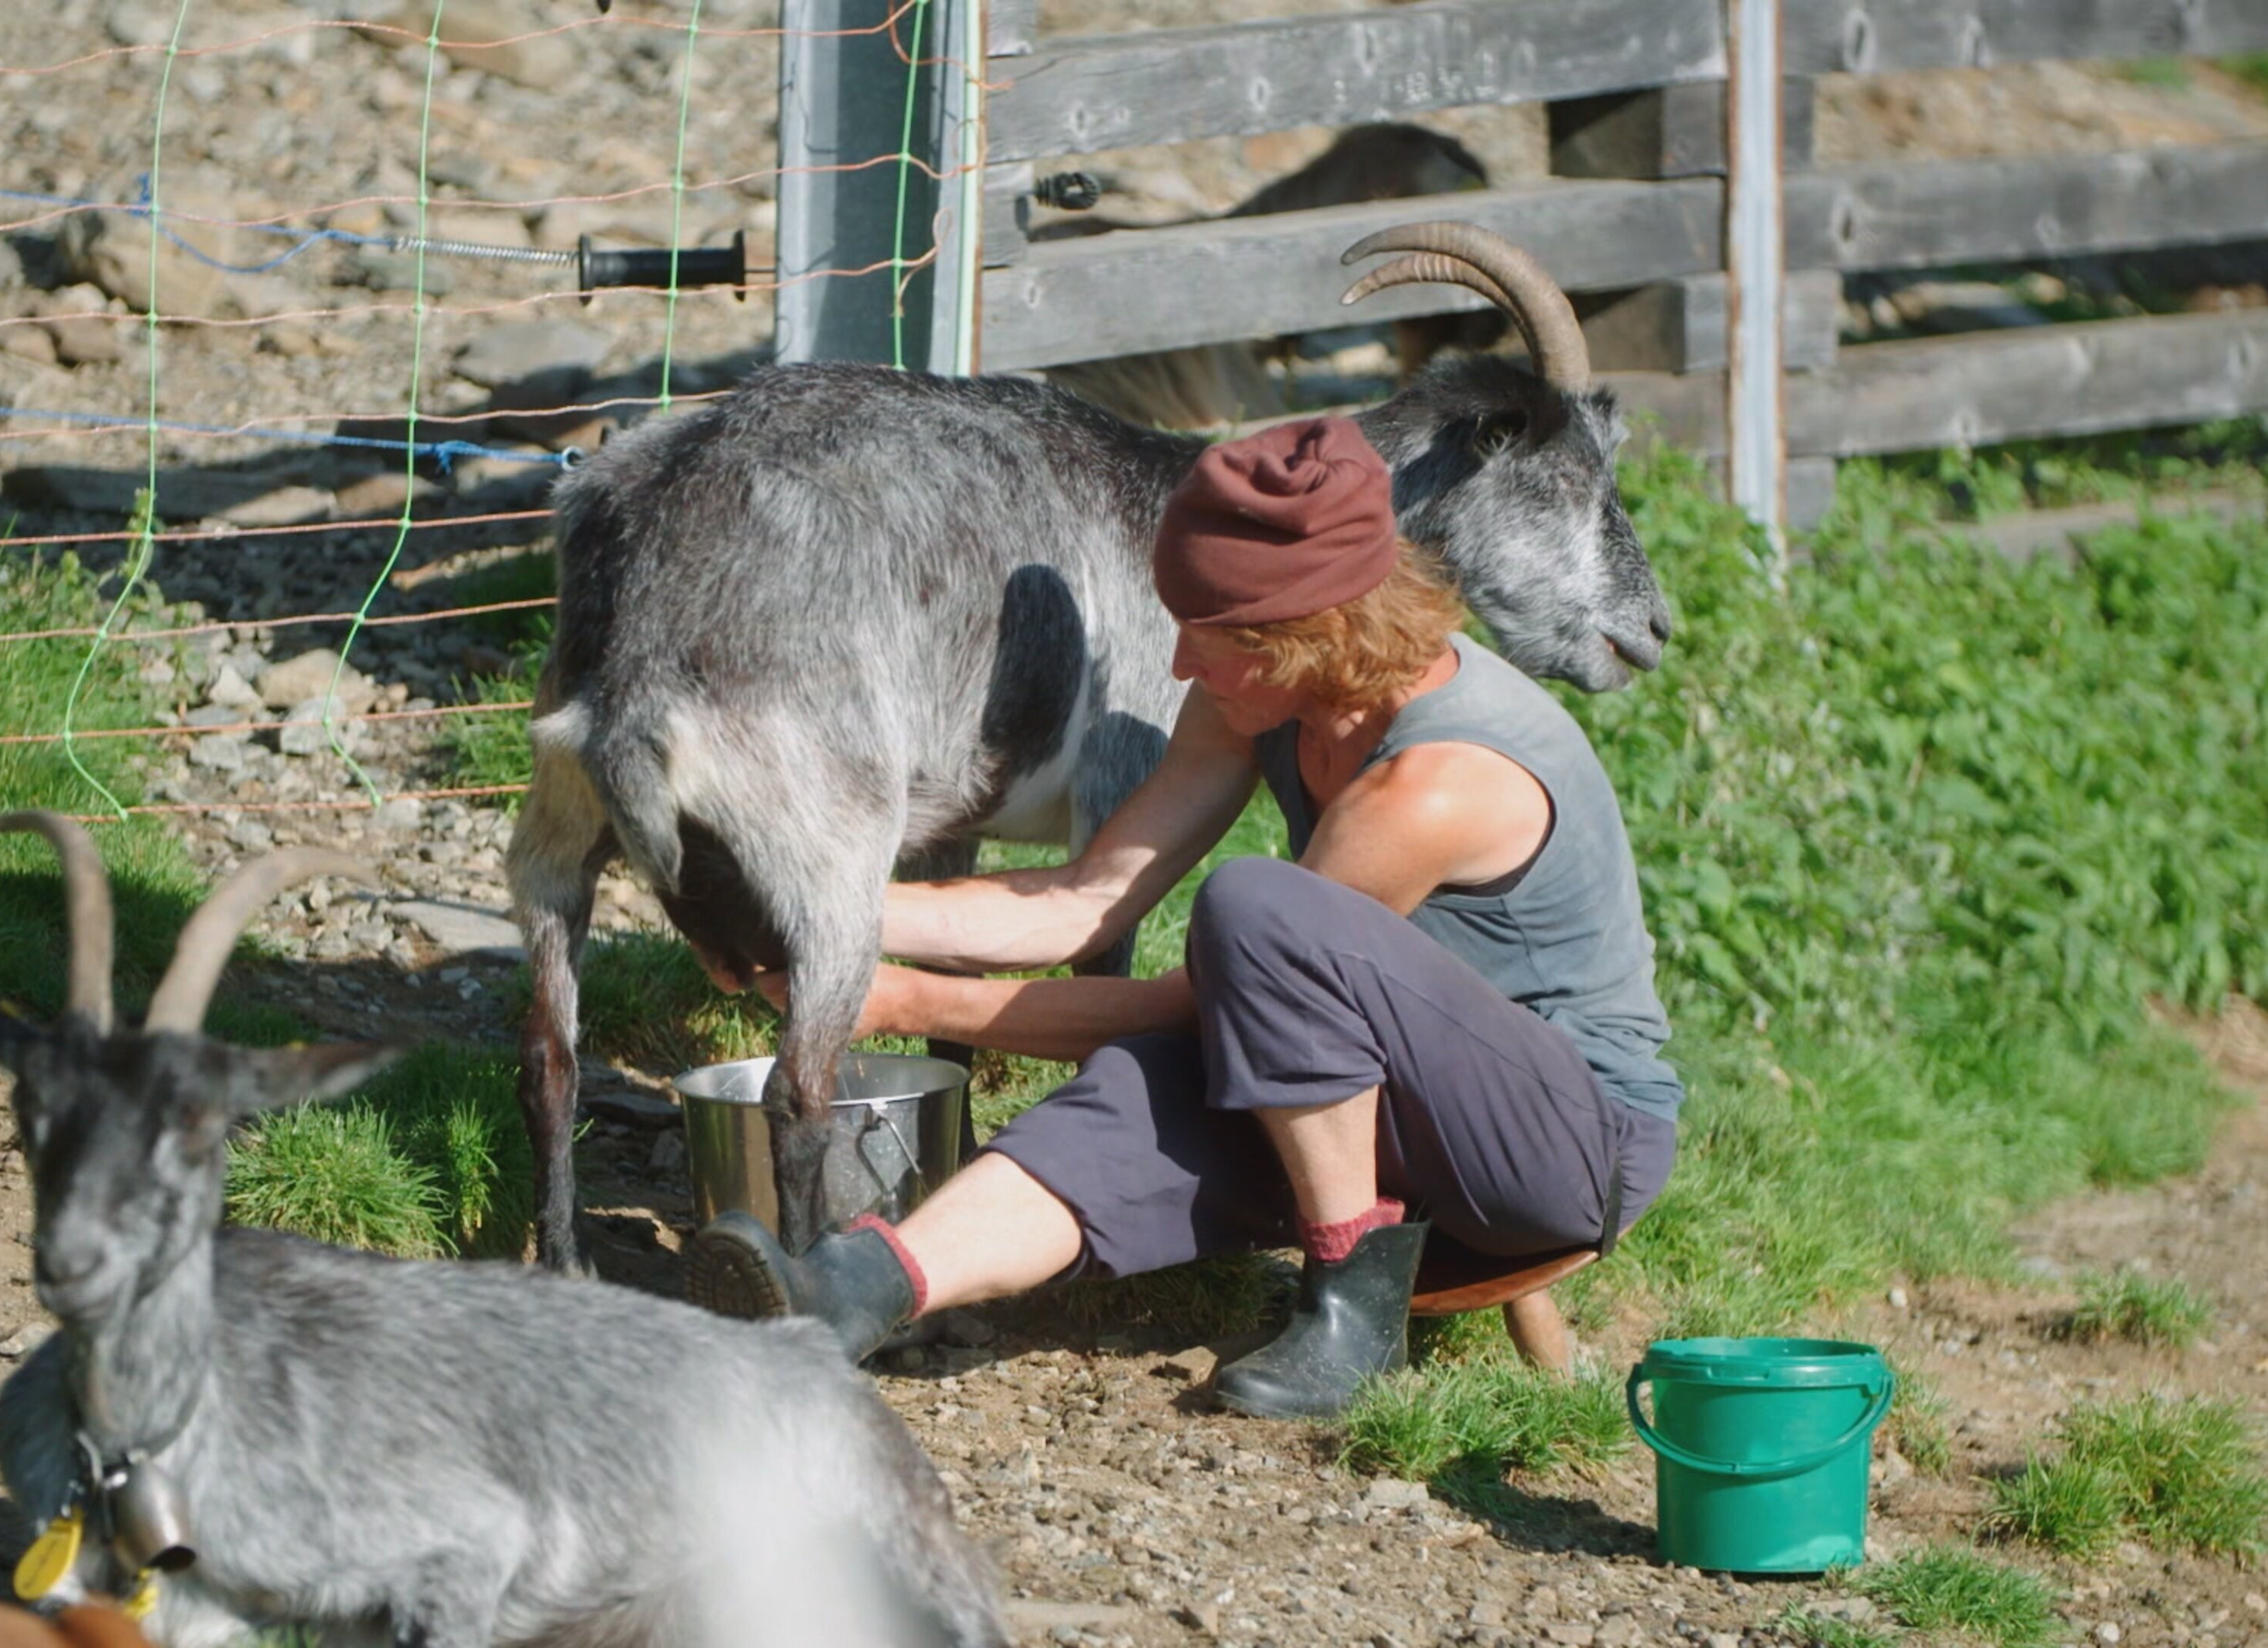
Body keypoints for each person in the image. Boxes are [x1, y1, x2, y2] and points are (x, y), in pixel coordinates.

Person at [687, 415, 1681, 1420]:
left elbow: (1218, 1000)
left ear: (1314, 635)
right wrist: (827, 911)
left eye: (1207, 637)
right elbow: (1084, 902)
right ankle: (853, 1290)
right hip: (1386, 1105)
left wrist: (901, 997)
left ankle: (1349, 1304)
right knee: (1142, 1089)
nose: (1178, 668)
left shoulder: (1437, 785)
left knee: (1253, 912)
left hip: (1561, 1152)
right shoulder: (1268, 694)